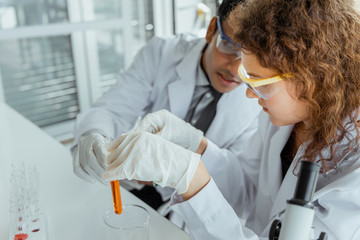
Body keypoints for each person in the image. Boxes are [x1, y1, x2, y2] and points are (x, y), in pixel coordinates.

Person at [102, 0, 360, 239]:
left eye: (259, 82)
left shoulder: (354, 173)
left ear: (312, 78)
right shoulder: (285, 119)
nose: (248, 93)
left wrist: (189, 178)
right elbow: (249, 190)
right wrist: (193, 144)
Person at [72, 0, 260, 215]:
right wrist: (94, 133)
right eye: (229, 46)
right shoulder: (162, 53)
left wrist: (176, 165)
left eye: (251, 59)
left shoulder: (261, 101)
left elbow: (240, 186)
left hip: (192, 212)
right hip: (130, 188)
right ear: (211, 30)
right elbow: (113, 109)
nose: (235, 70)